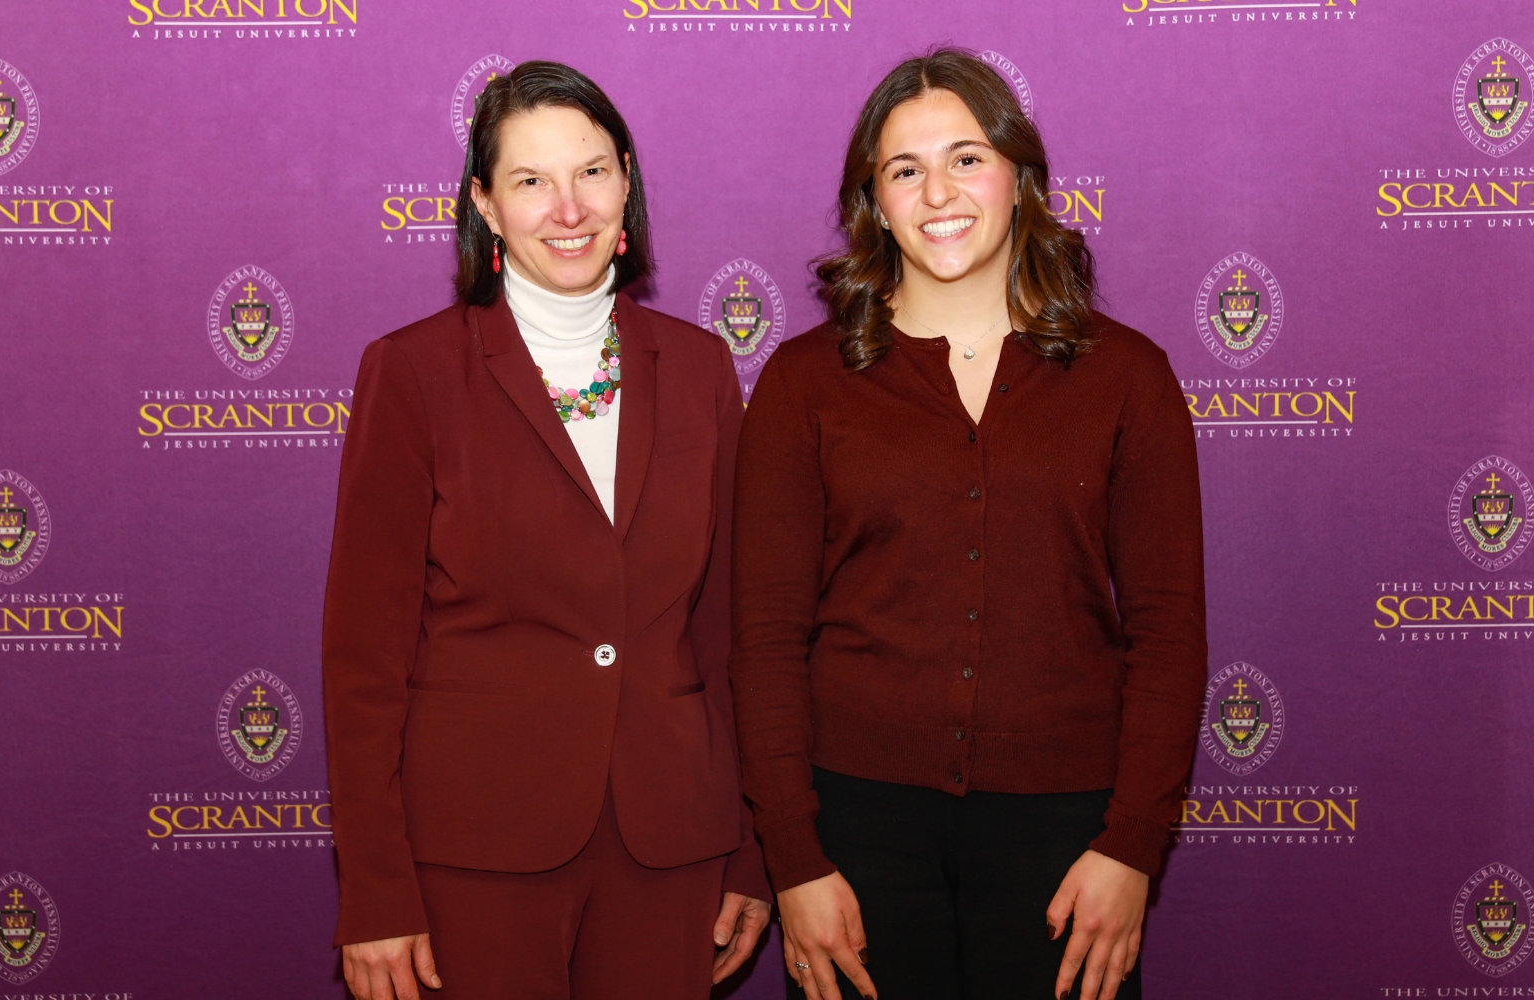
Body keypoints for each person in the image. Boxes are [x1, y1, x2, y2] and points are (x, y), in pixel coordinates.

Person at [729, 48, 1206, 1000]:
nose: (938, 191)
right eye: (906, 169)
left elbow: (1166, 635)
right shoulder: (803, 382)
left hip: (1069, 839)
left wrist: (1132, 846)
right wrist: (793, 858)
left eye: (967, 158)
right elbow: (766, 639)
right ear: (875, 200)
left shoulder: (1127, 378)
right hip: (853, 837)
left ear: (1020, 178)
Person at [322, 60, 769, 1000]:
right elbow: (364, 659)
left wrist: (751, 852)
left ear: (628, 181)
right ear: (485, 204)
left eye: (592, 173)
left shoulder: (698, 370)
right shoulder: (412, 375)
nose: (568, 208)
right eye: (531, 181)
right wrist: (374, 890)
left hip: (671, 843)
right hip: (474, 852)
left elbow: (730, 632)